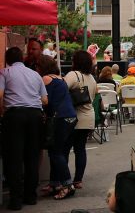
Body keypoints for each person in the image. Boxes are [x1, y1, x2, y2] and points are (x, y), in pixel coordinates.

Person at [0, 47, 48, 210]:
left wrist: (3, 110)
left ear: (7, 59)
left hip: (15, 117)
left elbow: (0, 95)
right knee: (32, 157)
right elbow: (44, 100)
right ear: (22, 58)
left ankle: (15, 200)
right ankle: (31, 196)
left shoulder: (4, 72)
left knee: (14, 158)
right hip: (35, 116)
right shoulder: (35, 75)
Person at [37, 55, 77, 200]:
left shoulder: (46, 79)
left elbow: (45, 101)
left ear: (42, 67)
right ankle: (55, 183)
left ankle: (67, 185)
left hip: (59, 117)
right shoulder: (61, 78)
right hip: (71, 116)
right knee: (61, 151)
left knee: (55, 152)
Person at [63, 50, 97, 191]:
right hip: (88, 117)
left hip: (73, 117)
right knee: (80, 149)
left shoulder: (73, 75)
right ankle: (78, 180)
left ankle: (64, 178)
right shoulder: (92, 78)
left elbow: (61, 89)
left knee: (64, 149)